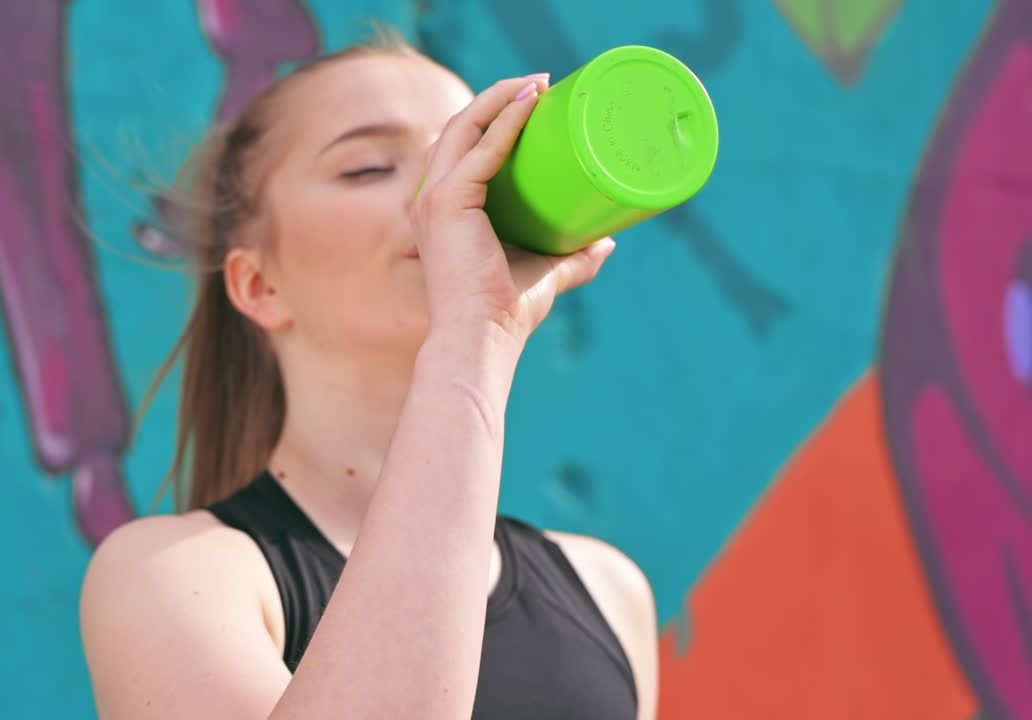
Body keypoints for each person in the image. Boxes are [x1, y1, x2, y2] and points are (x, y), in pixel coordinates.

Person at [79, 31, 658, 720]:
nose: (444, 195)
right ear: (259, 284)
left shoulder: (608, 590)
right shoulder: (174, 576)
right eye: (369, 168)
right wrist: (474, 336)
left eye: (466, 156)